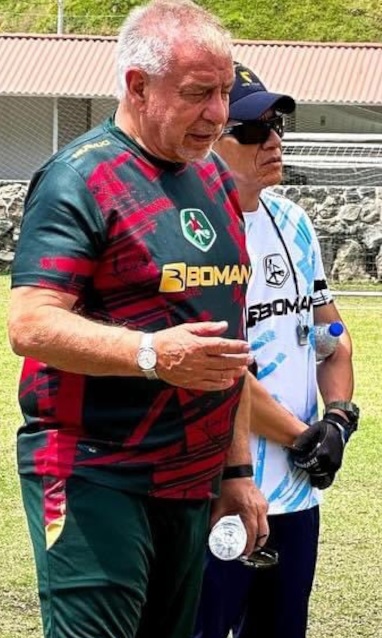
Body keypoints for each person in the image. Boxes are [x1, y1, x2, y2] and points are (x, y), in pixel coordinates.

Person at [6, 2, 268, 638]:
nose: (218, 113)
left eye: (226, 92)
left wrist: (234, 471)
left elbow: (224, 347)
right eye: (198, 93)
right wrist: (150, 353)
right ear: (137, 85)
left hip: (191, 479)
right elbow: (31, 323)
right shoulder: (81, 177)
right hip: (96, 469)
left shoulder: (214, 180)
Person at [193, 62, 358, 638]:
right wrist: (301, 435)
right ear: (209, 135)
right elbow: (224, 369)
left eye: (278, 125)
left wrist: (337, 418)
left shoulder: (292, 220)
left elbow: (331, 337)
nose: (273, 141)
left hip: (298, 489)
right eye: (252, 131)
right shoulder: (197, 228)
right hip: (229, 486)